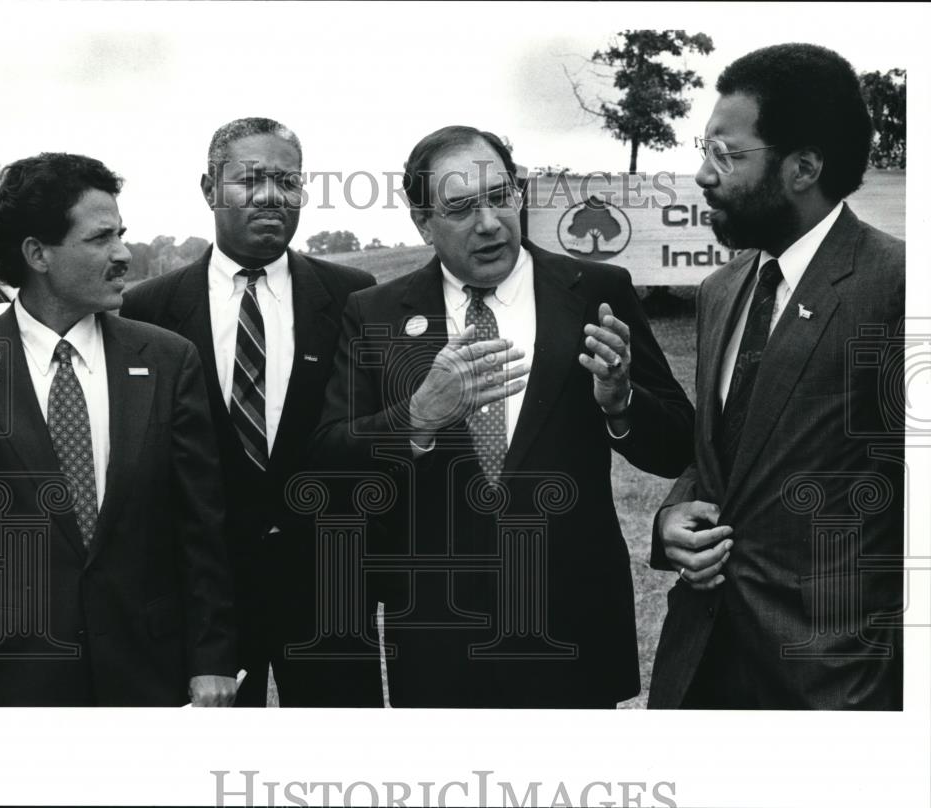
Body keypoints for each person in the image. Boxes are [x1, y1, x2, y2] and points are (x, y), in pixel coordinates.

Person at [311, 125, 694, 707]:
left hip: (570, 619)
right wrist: (416, 417)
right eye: (461, 207)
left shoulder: (596, 290)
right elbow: (329, 456)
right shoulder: (377, 312)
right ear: (422, 222)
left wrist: (620, 403)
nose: (488, 222)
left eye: (499, 196)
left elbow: (676, 447)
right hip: (439, 630)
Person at [648, 43, 905, 709]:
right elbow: (728, 455)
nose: (703, 175)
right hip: (698, 670)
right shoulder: (721, 289)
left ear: (803, 168)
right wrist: (672, 515)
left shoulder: (902, 288)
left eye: (726, 155)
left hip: (833, 686)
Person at [0, 153, 237, 706]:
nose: (123, 253)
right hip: (19, 685)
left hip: (151, 677)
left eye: (121, 234)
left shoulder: (167, 359)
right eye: (100, 238)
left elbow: (201, 524)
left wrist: (212, 660)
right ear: (38, 253)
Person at [119, 118, 381, 707]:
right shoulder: (147, 311)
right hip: (203, 600)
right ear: (209, 189)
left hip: (329, 593)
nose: (271, 196)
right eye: (250, 180)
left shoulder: (354, 297)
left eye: (288, 181)